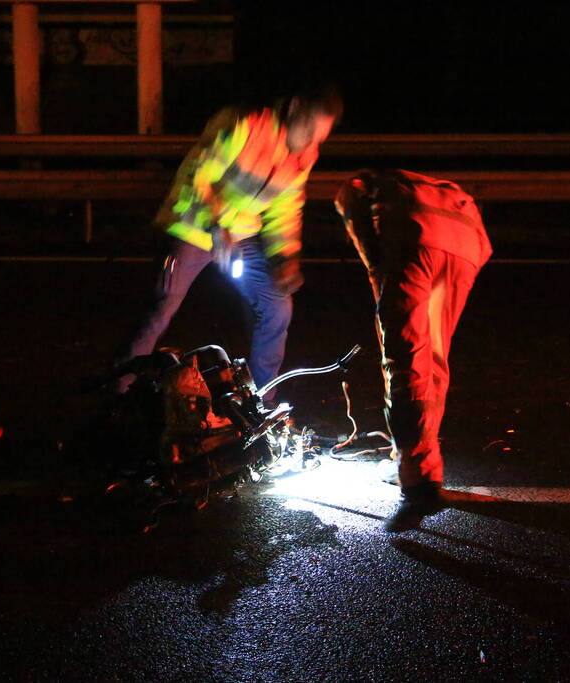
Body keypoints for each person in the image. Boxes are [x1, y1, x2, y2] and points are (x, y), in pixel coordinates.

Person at [114, 87, 342, 399]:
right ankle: (119, 393)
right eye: (308, 129)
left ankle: (262, 401)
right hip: (191, 226)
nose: (310, 142)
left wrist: (284, 256)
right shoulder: (244, 126)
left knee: (277, 306)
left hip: (240, 235)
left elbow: (286, 206)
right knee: (161, 307)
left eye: (319, 136)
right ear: (294, 108)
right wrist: (216, 224)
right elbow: (199, 177)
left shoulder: (304, 153)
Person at [334, 169, 492, 531]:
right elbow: (482, 244)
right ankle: (411, 459)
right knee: (434, 358)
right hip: (467, 244)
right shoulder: (416, 185)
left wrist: (379, 269)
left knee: (406, 360)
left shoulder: (357, 187)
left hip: (416, 238)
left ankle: (419, 482)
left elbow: (356, 216)